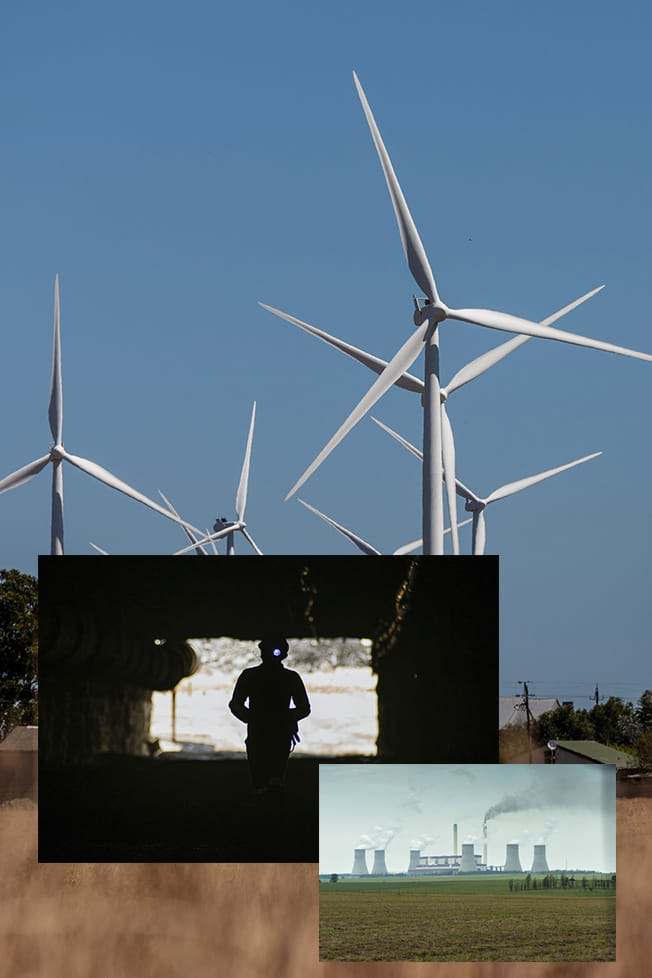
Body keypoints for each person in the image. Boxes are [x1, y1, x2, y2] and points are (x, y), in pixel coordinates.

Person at [229, 637, 310, 793]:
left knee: (264, 783)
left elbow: (235, 705)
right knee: (271, 782)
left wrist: (253, 719)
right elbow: (304, 708)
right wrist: (286, 718)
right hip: (274, 735)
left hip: (263, 735)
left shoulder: (250, 676)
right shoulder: (290, 678)